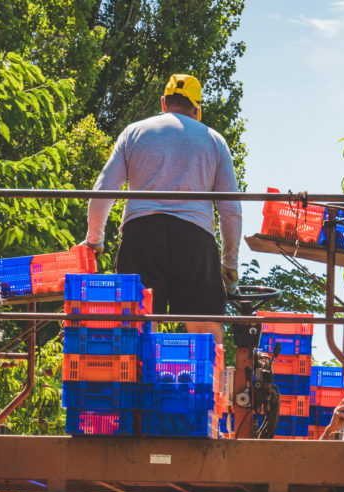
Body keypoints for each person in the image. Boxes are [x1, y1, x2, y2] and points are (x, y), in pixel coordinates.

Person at [83, 73, 242, 344]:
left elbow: (102, 192)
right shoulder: (214, 141)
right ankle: (213, 385)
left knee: (138, 329)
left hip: (142, 235)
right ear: (196, 109)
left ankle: (138, 384)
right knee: (206, 333)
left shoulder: (134, 132)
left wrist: (94, 241)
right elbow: (231, 210)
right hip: (195, 240)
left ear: (163, 102)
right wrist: (229, 263)